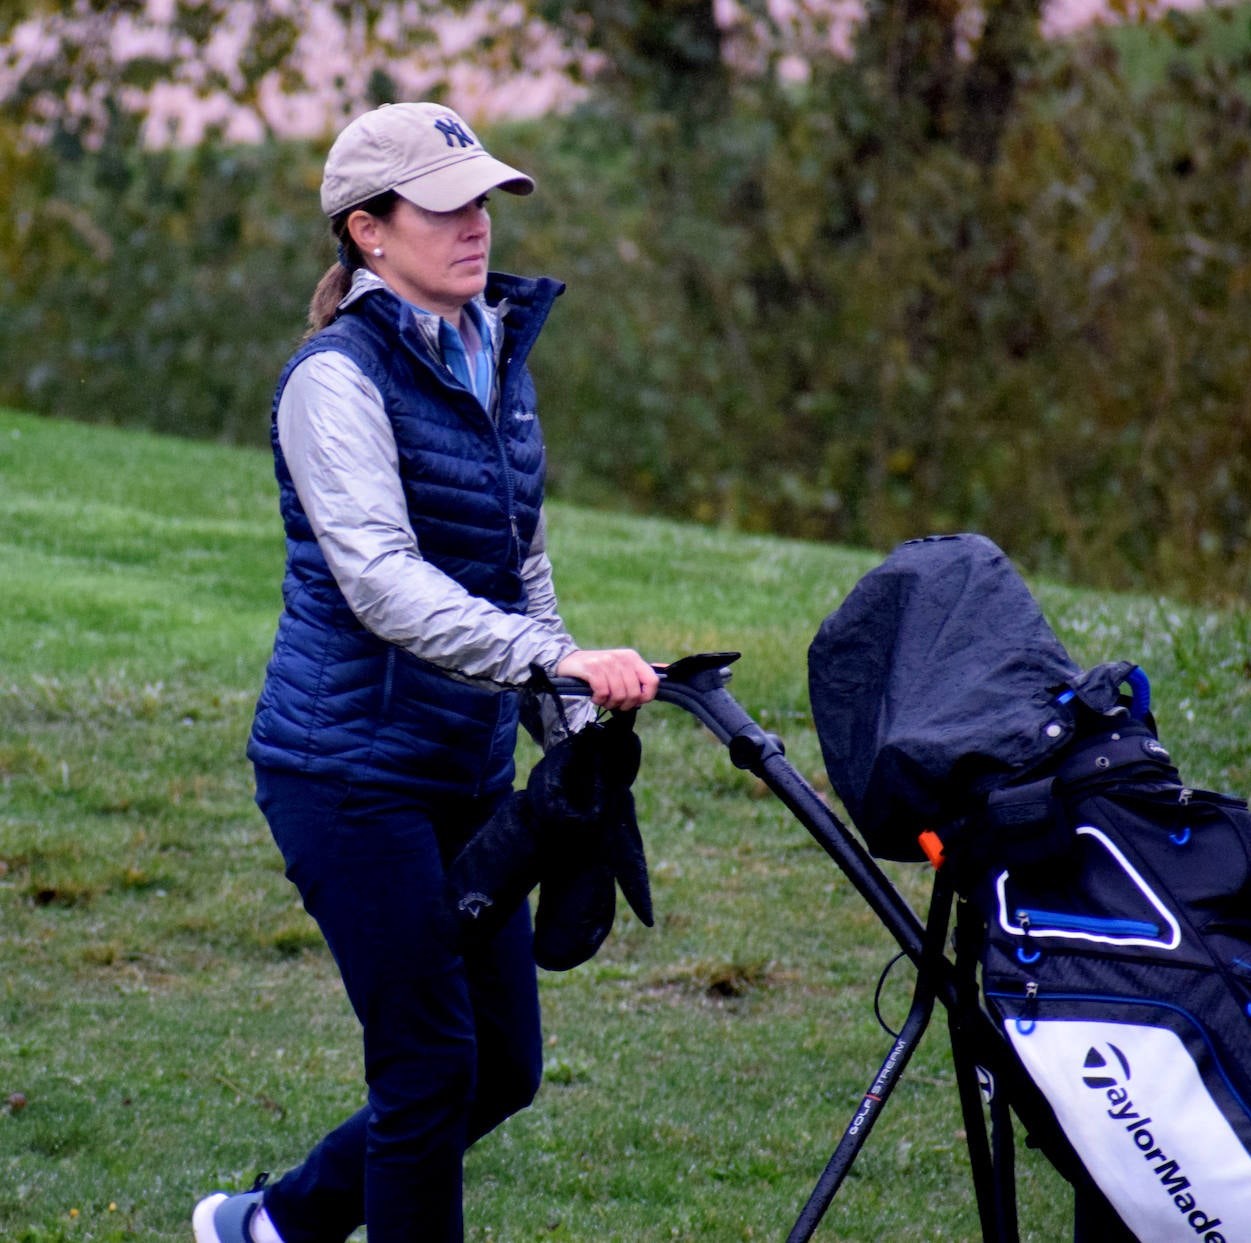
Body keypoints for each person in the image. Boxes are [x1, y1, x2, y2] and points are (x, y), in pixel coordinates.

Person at [193, 101, 659, 1243]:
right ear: (367, 231)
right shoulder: (332, 381)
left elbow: (520, 564)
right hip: (346, 777)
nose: (476, 226)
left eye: (483, 201)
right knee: (430, 1067)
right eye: (445, 207)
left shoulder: (494, 351)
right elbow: (382, 581)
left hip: (462, 770)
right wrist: (548, 655)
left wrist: (569, 718)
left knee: (499, 1062)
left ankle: (271, 1228)